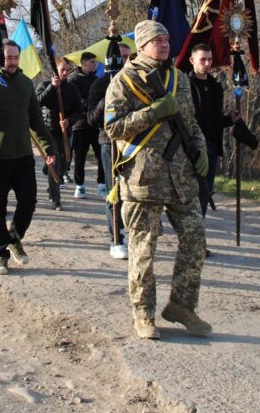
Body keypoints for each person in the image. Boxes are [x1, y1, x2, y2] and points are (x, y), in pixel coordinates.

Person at [105, 21, 211, 340]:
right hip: (143, 180)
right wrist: (153, 112)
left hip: (181, 178)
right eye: (156, 40)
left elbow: (191, 123)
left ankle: (181, 306)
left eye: (166, 38)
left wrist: (202, 150)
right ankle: (144, 314)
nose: (164, 44)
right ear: (142, 45)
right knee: (143, 250)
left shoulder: (179, 78)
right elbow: (113, 127)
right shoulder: (124, 81)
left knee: (195, 239)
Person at [0, 41, 57, 275]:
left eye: (16, 57)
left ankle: (14, 238)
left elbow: (36, 121)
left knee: (28, 202)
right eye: (8, 58)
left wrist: (49, 148)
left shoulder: (26, 84)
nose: (13, 62)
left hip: (23, 155)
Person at [87, 41, 132, 259]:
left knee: (133, 189)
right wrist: (108, 99)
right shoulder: (99, 84)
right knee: (114, 189)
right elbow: (92, 120)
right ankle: (116, 237)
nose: (123, 61)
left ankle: (131, 229)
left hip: (133, 142)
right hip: (109, 142)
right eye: (120, 57)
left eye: (127, 57)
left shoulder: (135, 81)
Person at [187, 43, 238, 219]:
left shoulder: (216, 87)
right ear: (192, 60)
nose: (207, 64)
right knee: (191, 193)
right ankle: (190, 235)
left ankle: (198, 234)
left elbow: (214, 120)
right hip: (191, 147)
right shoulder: (185, 86)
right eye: (203, 59)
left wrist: (229, 120)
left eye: (209, 59)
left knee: (205, 192)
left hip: (212, 147)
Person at [36, 58, 83, 210]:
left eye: (68, 70)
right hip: (48, 133)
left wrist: (70, 120)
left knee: (64, 165)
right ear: (55, 70)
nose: (65, 73)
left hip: (64, 133)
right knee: (54, 166)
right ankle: (56, 200)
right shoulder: (44, 85)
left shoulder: (72, 88)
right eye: (63, 69)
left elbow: (78, 109)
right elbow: (36, 103)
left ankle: (51, 179)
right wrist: (52, 87)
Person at [67, 51, 104, 198]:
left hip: (96, 124)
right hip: (80, 125)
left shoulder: (97, 80)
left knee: (101, 156)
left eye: (95, 62)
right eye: (92, 62)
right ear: (83, 64)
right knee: (80, 156)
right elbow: (70, 101)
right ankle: (80, 185)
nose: (94, 65)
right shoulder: (73, 80)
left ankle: (102, 185)